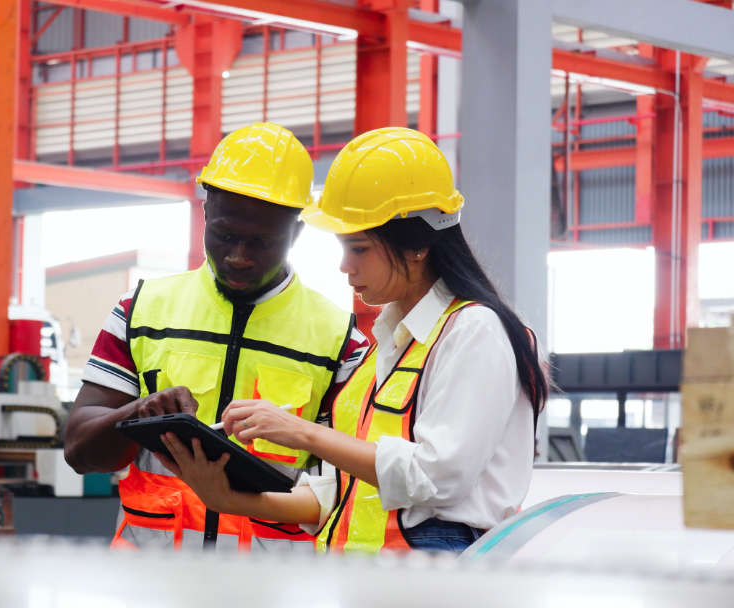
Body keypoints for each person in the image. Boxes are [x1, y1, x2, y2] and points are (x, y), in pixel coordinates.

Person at [157, 127, 548, 554]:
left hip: (433, 574)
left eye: (359, 248)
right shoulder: (388, 345)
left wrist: (300, 432)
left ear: (418, 245)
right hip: (370, 575)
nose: (345, 266)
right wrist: (227, 500)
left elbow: (436, 478)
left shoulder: (475, 331)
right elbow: (342, 493)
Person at [63, 122, 369, 551]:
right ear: (206, 213)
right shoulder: (141, 311)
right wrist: (138, 414)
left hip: (269, 582)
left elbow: (348, 490)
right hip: (148, 576)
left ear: (296, 233)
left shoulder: (340, 341)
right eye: (225, 235)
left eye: (261, 242)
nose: (239, 257)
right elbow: (80, 451)